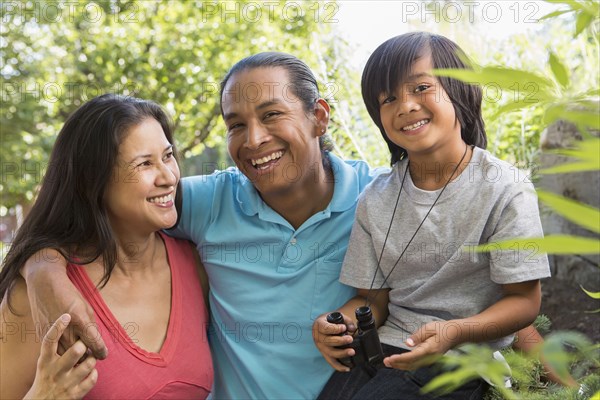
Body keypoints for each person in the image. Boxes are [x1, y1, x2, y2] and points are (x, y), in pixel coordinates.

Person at [19, 53, 551, 399]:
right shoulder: (204, 202)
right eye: (236, 125)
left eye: (272, 115)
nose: (253, 140)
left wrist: (555, 377)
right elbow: (96, 197)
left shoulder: (382, 197)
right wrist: (43, 270)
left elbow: (480, 284)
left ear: (319, 117)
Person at [313, 32, 551, 399]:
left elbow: (523, 301)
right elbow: (372, 301)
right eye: (388, 98)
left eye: (421, 87)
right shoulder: (374, 198)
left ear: (461, 90)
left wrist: (455, 331)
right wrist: (339, 324)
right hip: (386, 349)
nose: (405, 106)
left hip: (462, 357)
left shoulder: (505, 188)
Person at [0, 95, 213, 399]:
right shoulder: (41, 296)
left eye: (167, 156)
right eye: (144, 164)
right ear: (94, 181)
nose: (169, 177)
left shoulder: (195, 264)